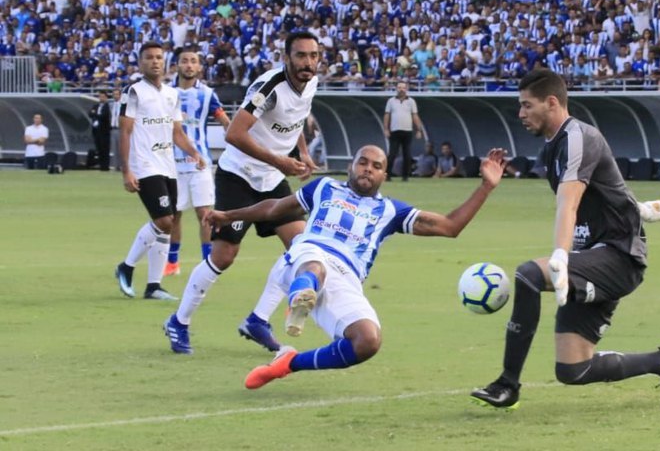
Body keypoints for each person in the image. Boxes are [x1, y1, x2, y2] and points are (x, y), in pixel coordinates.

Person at [470, 69, 660, 411]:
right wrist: (646, 209)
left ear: (552, 102)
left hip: (619, 258)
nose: (520, 114)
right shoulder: (555, 147)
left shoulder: (578, 138)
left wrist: (559, 254)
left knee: (528, 274)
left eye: (527, 106)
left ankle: (507, 384)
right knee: (573, 369)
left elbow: (568, 203)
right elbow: (605, 191)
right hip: (593, 258)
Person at [201, 145, 506, 387]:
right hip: (308, 254)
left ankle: (288, 363)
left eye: (376, 166)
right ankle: (301, 295)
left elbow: (450, 226)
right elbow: (273, 208)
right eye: (363, 162)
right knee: (315, 267)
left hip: (346, 276)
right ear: (351, 165)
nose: (368, 169)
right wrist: (228, 216)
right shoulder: (323, 188)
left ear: (384, 175)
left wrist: (485, 188)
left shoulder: (391, 211)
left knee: (367, 341)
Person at [164, 31, 321, 354]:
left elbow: (297, 120)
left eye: (313, 56)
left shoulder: (311, 83)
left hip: (272, 178)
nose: (308, 62)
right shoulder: (270, 87)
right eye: (301, 56)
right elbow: (235, 133)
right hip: (239, 176)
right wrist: (279, 159)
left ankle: (258, 320)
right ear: (286, 58)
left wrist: (302, 153)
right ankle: (179, 322)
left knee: (301, 247)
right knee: (223, 256)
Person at [114, 42, 206, 301]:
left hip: (168, 166)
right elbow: (125, 131)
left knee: (169, 224)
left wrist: (194, 153)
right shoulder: (133, 92)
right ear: (140, 62)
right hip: (144, 165)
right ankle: (127, 266)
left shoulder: (171, 94)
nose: (155, 62)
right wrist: (126, 171)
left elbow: (177, 132)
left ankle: (153, 285)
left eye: (158, 57)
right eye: (149, 58)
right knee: (164, 220)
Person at [163, 47, 232, 278]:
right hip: (171, 163)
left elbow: (223, 118)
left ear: (200, 67)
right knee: (174, 215)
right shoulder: (166, 92)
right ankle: (172, 261)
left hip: (200, 163)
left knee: (205, 213)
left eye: (193, 61)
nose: (189, 65)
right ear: (177, 66)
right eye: (185, 61)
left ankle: (207, 261)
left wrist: (234, 136)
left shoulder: (207, 94)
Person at [384, 81, 425, 182]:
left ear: (406, 89)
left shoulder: (411, 101)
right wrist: (386, 129)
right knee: (392, 154)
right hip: (395, 130)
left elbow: (415, 115)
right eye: (399, 87)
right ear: (396, 89)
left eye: (403, 88)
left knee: (407, 154)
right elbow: (387, 115)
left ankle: (405, 176)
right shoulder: (391, 101)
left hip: (407, 130)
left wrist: (419, 129)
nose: (401, 90)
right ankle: (387, 175)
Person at [89, 92, 112, 171]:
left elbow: (104, 116)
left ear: (106, 98)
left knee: (105, 149)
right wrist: (96, 114)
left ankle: (105, 166)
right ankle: (101, 165)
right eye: (100, 96)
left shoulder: (107, 106)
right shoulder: (96, 106)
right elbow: (90, 113)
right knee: (99, 149)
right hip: (96, 131)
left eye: (103, 97)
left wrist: (95, 114)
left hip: (104, 131)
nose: (101, 98)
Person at [109, 89, 122, 171]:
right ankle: (115, 165)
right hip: (113, 128)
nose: (115, 96)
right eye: (114, 94)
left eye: (117, 94)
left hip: (121, 128)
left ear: (120, 95)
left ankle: (122, 166)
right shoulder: (111, 105)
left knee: (122, 148)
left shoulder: (123, 105)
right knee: (114, 148)